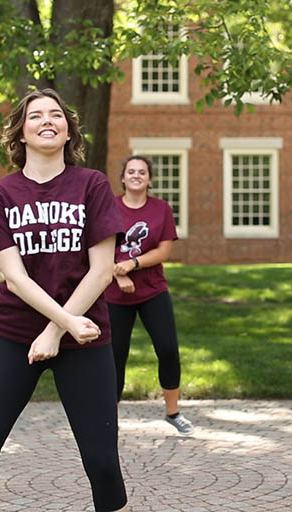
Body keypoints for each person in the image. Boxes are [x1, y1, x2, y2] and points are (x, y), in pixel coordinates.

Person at [0, 89, 127, 512]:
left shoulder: (93, 184)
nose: (47, 120)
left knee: (103, 463)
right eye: (35, 116)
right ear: (21, 133)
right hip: (13, 334)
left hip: (84, 336)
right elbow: (14, 278)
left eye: (56, 115)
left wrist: (57, 330)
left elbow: (102, 270)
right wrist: (61, 322)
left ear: (68, 130)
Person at [105, 155, 194, 435]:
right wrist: (118, 275)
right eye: (130, 171)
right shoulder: (110, 207)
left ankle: (173, 413)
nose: (136, 176)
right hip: (114, 295)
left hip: (153, 291)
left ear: (149, 179)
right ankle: (110, 418)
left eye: (141, 172)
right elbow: (97, 248)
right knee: (115, 355)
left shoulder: (161, 209)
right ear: (122, 178)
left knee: (167, 349)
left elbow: (164, 251)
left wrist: (131, 265)